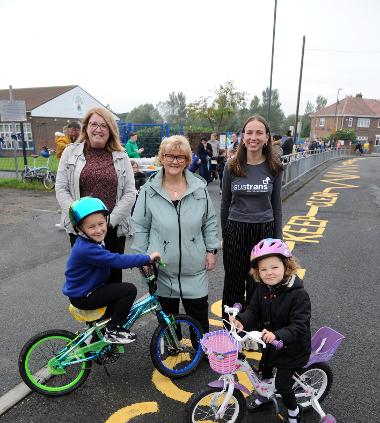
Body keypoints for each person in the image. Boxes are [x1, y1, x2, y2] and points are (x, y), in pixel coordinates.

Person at [132, 135, 219, 333]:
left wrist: (211, 250)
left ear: (187, 160)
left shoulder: (199, 188)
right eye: (169, 156)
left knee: (198, 318)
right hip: (162, 268)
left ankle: (202, 349)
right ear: (161, 158)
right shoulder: (148, 190)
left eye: (180, 157)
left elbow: (210, 221)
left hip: (194, 267)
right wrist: (141, 258)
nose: (174, 161)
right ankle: (172, 350)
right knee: (168, 322)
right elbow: (140, 225)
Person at [229, 238, 311, 423]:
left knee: (283, 385)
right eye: (263, 269)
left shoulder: (298, 295)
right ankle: (265, 395)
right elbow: (253, 311)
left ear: (287, 266)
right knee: (264, 370)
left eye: (274, 267)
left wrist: (277, 334)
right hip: (270, 343)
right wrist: (241, 320)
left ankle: (294, 410)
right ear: (257, 273)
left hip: (292, 348)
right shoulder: (262, 289)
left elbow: (300, 326)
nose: (269, 272)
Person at [63, 196, 161, 344]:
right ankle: (113, 330)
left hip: (87, 291)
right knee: (128, 290)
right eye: (91, 227)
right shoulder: (86, 249)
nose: (98, 230)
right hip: (84, 296)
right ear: (80, 229)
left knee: (116, 302)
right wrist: (146, 258)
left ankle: (97, 342)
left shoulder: (88, 242)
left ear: (106, 221)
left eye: (101, 223)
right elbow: (116, 260)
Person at [55, 106, 136, 283]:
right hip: (81, 230)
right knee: (86, 281)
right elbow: (61, 188)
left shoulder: (121, 155)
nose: (98, 129)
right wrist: (79, 219)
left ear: (111, 130)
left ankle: (114, 312)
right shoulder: (70, 152)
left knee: (113, 280)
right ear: (86, 127)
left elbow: (130, 192)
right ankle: (88, 311)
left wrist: (109, 221)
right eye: (94, 124)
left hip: (112, 229)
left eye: (104, 125)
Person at [221, 114, 283, 323]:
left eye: (259, 133)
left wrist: (277, 240)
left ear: (267, 138)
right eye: (249, 132)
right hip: (235, 229)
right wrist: (224, 235)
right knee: (233, 283)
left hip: (264, 231)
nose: (253, 137)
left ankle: (254, 331)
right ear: (242, 136)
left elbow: (276, 206)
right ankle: (230, 333)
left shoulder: (274, 167)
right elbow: (224, 204)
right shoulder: (231, 166)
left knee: (259, 284)